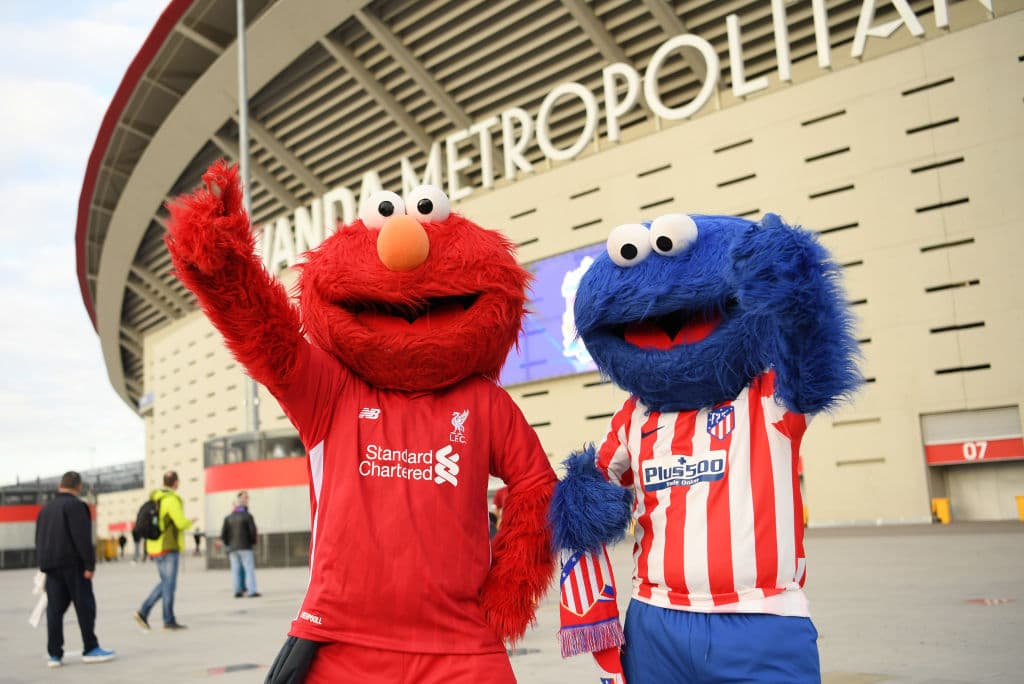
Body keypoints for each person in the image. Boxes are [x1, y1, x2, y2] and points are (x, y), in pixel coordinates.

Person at [34, 471, 116, 668]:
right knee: (85, 606)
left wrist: (43, 564)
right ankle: (90, 648)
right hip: (73, 565)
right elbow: (82, 537)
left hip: (51, 566)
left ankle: (54, 655)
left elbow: (39, 538)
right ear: (78, 487)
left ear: (60, 485)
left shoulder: (45, 509)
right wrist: (89, 564)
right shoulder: (76, 506)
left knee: (54, 611)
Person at [133, 470, 192, 631]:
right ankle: (166, 619)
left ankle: (144, 613)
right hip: (167, 547)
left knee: (166, 583)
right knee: (169, 585)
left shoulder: (155, 497)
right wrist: (190, 522)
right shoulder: (171, 499)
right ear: (176, 483)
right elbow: (180, 523)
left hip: (153, 546)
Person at [221, 491, 260, 598]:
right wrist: (252, 542)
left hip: (232, 548)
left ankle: (238, 591)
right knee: (248, 569)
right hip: (246, 546)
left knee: (235, 570)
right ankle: (252, 591)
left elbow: (223, 534)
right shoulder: (248, 516)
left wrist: (228, 544)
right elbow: (253, 531)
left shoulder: (228, 518)